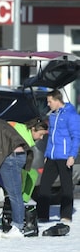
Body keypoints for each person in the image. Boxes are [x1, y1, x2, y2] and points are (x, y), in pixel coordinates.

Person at [37, 89, 80, 224]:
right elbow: (51, 138)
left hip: (65, 156)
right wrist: (46, 154)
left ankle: (66, 215)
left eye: (50, 101)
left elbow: (76, 137)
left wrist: (72, 155)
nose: (48, 104)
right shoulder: (53, 115)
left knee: (66, 186)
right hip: (52, 155)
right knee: (44, 185)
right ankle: (42, 215)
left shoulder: (71, 115)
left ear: (57, 100)